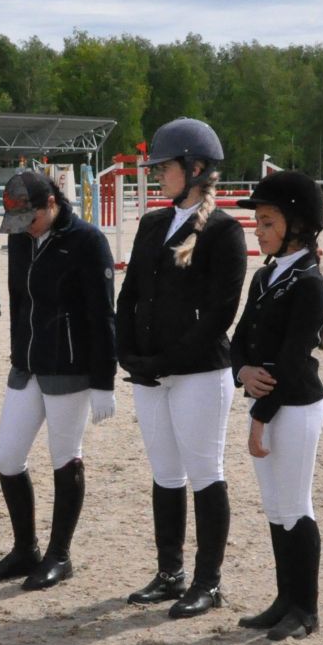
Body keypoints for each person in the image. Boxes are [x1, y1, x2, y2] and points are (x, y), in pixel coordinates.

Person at [116, 119, 247, 617]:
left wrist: (164, 362)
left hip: (198, 373)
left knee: (204, 472)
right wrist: (125, 351)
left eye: (164, 168)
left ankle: (207, 582)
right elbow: (129, 296)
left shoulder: (225, 231)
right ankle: (169, 572)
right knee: (165, 473)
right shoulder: (153, 223)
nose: (157, 175)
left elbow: (219, 315)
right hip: (150, 372)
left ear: (194, 168)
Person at [0, 169, 117, 590]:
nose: (25, 229)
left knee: (64, 456)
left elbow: (101, 314)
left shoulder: (88, 241)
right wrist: (18, 349)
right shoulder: (22, 238)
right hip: (28, 364)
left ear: (51, 204)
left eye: (31, 219)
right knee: (7, 457)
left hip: (70, 366)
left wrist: (103, 380)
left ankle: (60, 554)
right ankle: (26, 549)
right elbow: (18, 301)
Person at [229, 170, 323, 640]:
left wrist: (258, 416)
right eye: (259, 221)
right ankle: (283, 599)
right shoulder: (265, 276)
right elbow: (239, 340)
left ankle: (305, 608)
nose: (258, 229)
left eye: (267, 221)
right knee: (274, 508)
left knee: (294, 505)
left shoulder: (310, 284)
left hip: (295, 405)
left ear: (296, 226)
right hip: (266, 400)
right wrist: (241, 372)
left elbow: (290, 362)